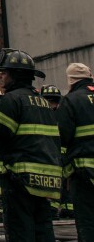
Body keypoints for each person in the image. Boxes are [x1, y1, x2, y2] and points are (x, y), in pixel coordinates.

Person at [0, 50, 61, 242]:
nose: (2, 78)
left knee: (19, 223)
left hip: (20, 174)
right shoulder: (42, 101)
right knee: (43, 223)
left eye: (5, 74)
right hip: (47, 173)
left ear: (14, 75)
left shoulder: (12, 101)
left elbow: (1, 133)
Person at [57, 63, 94, 242]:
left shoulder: (71, 101)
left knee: (88, 216)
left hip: (85, 170)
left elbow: (63, 136)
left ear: (70, 81)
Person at [41, 84, 74, 218]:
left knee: (61, 182)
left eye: (53, 101)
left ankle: (60, 208)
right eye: (49, 101)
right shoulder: (56, 113)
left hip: (57, 155)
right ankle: (62, 208)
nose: (51, 104)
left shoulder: (55, 114)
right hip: (56, 154)